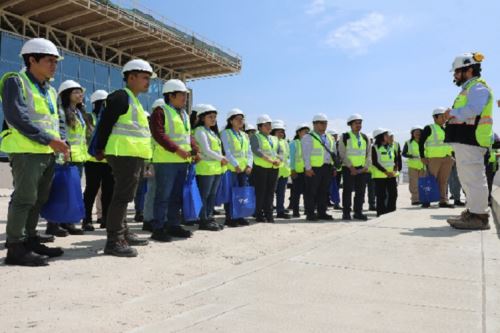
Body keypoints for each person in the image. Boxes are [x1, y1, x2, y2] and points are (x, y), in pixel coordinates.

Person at [1, 38, 69, 266]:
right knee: (24, 198)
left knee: (39, 198)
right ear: (32, 60)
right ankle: (15, 247)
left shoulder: (49, 90)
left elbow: (57, 120)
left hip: (47, 152)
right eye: (50, 60)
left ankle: (30, 240)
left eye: (55, 61)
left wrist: (62, 141)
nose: (54, 65)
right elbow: (16, 116)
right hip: (26, 151)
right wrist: (50, 140)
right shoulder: (15, 81)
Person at [95, 59, 154, 257]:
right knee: (121, 196)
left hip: (133, 154)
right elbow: (105, 124)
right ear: (131, 77)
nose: (148, 82)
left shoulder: (133, 99)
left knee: (125, 195)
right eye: (145, 78)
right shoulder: (120, 97)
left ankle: (124, 232)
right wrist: (100, 148)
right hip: (123, 153)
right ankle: (114, 240)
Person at [445, 52, 493, 230]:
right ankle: (473, 211)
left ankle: (480, 216)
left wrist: (451, 113)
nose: (455, 75)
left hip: (472, 139)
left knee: (473, 178)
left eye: (457, 71)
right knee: (467, 178)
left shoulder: (478, 88)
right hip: (465, 139)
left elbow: (473, 109)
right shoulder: (468, 89)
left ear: (469, 70)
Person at [149, 79, 200, 242]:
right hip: (166, 161)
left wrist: (195, 149)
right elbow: (159, 134)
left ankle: (173, 225)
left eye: (186, 95)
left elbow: (187, 135)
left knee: (176, 196)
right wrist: (177, 150)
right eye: (182, 95)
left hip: (182, 161)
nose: (185, 98)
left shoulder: (184, 114)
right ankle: (158, 228)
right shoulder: (160, 111)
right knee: (163, 195)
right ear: (171, 95)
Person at [45, 80, 89, 236]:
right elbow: (60, 132)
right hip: (65, 155)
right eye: (76, 92)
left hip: (79, 156)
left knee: (72, 191)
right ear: (66, 95)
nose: (80, 95)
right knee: (59, 190)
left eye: (80, 92)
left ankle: (67, 222)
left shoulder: (79, 112)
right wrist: (64, 151)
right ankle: (53, 224)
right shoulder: (62, 111)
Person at [82, 90, 114, 232]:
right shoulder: (89, 117)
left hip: (108, 161)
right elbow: (89, 137)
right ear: (95, 103)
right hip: (93, 160)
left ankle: (106, 218)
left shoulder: (111, 119)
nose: (104, 106)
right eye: (102, 103)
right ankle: (87, 219)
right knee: (91, 191)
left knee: (108, 191)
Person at [193, 104, 227, 231]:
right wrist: (221, 158)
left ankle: (209, 217)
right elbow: (206, 150)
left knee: (212, 195)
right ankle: (203, 220)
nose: (213, 119)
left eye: (215, 117)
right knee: (204, 195)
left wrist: (220, 159)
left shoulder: (212, 132)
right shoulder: (199, 131)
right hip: (205, 169)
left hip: (215, 168)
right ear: (202, 118)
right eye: (210, 117)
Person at [220, 108, 253, 227]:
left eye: (242, 119)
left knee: (242, 193)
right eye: (237, 119)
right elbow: (227, 150)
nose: (240, 121)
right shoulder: (225, 133)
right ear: (231, 121)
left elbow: (249, 152)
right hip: (232, 168)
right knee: (231, 193)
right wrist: (235, 164)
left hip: (244, 169)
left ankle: (240, 216)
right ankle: (230, 217)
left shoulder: (244, 135)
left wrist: (249, 165)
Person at [302, 113, 336, 221]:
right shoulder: (308, 137)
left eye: (325, 123)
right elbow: (306, 154)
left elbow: (333, 153)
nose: (324, 125)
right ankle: (310, 213)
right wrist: (308, 168)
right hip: (314, 168)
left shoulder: (330, 137)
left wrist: (334, 167)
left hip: (327, 167)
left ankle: (322, 212)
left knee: (323, 191)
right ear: (314, 124)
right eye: (321, 123)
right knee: (311, 192)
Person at [419, 107, 454, 208]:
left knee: (443, 180)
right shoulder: (429, 128)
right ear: (435, 117)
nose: (444, 119)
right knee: (429, 179)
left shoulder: (446, 128)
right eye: (442, 116)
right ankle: (426, 200)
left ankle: (443, 201)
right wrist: (422, 156)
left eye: (445, 116)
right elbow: (421, 142)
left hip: (447, 158)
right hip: (434, 158)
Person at [338, 114, 371, 221]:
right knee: (347, 191)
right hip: (348, 169)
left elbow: (368, 154)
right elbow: (342, 153)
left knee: (360, 192)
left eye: (360, 123)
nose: (358, 125)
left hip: (362, 169)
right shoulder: (345, 136)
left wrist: (365, 167)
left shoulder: (365, 137)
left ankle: (358, 212)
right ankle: (346, 213)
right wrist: (351, 167)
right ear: (350, 125)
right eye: (356, 123)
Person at [250, 114, 281, 222]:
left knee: (271, 192)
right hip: (261, 168)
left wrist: (279, 159)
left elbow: (279, 151)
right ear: (259, 127)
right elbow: (256, 150)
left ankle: (269, 214)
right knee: (261, 192)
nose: (268, 126)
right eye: (266, 125)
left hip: (274, 168)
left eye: (269, 124)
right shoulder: (255, 137)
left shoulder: (274, 138)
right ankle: (259, 214)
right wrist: (270, 160)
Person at [371, 128, 398, 217]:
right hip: (380, 176)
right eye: (385, 135)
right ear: (380, 137)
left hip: (391, 175)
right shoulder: (374, 148)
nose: (388, 136)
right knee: (381, 196)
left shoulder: (391, 147)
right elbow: (375, 162)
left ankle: (391, 212)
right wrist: (385, 172)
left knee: (393, 194)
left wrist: (394, 170)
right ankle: (380, 213)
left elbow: (395, 160)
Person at [271, 120, 291, 219]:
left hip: (284, 171)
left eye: (282, 131)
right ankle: (269, 210)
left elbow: (287, 156)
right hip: (274, 170)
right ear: (273, 132)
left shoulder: (285, 142)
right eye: (279, 131)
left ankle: (280, 211)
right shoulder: (271, 141)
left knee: (281, 193)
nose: (281, 133)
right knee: (271, 193)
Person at [289, 123, 310, 218]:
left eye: (307, 131)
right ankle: (295, 211)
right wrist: (292, 170)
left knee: (308, 192)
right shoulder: (293, 143)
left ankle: (307, 210)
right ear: (298, 132)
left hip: (307, 171)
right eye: (304, 131)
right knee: (296, 193)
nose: (306, 133)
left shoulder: (309, 142)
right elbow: (292, 158)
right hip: (297, 172)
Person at [402, 126, 425, 205]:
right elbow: (403, 154)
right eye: (416, 132)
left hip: (423, 166)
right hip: (413, 166)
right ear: (412, 133)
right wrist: (412, 156)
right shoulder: (408, 143)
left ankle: (423, 199)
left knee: (422, 184)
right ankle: (415, 199)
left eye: (419, 132)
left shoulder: (425, 142)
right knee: (414, 184)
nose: (418, 133)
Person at [327, 130, 342, 210]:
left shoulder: (338, 144)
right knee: (328, 187)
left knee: (335, 187)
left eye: (336, 136)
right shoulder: (329, 145)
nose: (335, 137)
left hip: (337, 169)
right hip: (330, 169)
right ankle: (328, 202)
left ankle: (336, 203)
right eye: (334, 136)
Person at [485, 134, 500, 206]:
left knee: (489, 181)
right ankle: (485, 199)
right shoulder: (483, 137)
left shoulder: (495, 137)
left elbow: (498, 150)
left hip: (492, 164)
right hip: (485, 163)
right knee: (486, 182)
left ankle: (487, 199)